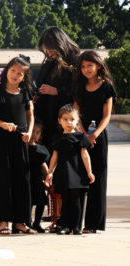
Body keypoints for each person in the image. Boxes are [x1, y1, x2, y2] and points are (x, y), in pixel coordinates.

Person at [0, 56, 34, 235]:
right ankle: (3, 221)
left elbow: (31, 116)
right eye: (13, 71)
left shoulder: (25, 92)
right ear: (7, 71)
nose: (15, 75)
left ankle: (21, 222)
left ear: (24, 76)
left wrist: (29, 133)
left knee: (22, 179)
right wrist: (3, 124)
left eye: (20, 73)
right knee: (3, 179)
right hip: (3, 140)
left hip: (21, 140)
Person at [73, 50, 117, 233]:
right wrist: (84, 134)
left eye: (89, 65)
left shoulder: (106, 86)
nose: (86, 69)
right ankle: (74, 223)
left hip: (99, 137)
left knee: (98, 179)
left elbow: (107, 116)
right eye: (83, 66)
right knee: (79, 178)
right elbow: (75, 113)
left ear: (98, 65)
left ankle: (93, 224)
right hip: (80, 136)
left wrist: (95, 135)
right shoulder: (79, 86)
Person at [45, 104, 95, 235]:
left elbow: (85, 155)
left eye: (72, 119)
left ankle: (77, 226)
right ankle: (65, 226)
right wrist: (50, 172)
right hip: (63, 172)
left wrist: (89, 172)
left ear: (77, 120)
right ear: (59, 121)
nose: (69, 122)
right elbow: (54, 156)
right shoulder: (57, 138)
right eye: (65, 119)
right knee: (65, 200)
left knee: (76, 200)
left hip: (78, 173)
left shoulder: (81, 137)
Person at [34, 26, 80, 149]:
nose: (48, 53)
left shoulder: (75, 61)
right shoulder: (49, 62)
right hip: (45, 115)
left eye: (50, 49)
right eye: (46, 50)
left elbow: (79, 89)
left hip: (64, 117)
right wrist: (36, 95)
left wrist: (57, 91)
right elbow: (40, 84)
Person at [27, 118, 50, 233]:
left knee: (41, 201)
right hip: (26, 180)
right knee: (28, 202)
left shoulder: (41, 150)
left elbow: (43, 165)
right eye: (32, 131)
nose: (34, 134)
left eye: (37, 132)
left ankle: (37, 222)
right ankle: (27, 222)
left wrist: (48, 179)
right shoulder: (23, 149)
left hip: (37, 180)